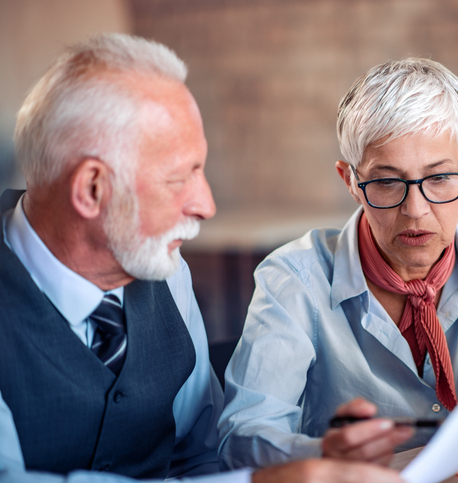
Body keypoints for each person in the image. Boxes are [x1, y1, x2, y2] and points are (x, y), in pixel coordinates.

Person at [0, 33, 403, 483]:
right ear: (92, 189)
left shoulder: (165, 274)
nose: (205, 206)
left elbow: (202, 457)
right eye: (180, 178)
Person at [218, 58, 458, 482]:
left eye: (439, 178)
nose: (416, 211)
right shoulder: (293, 278)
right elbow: (243, 436)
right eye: (386, 183)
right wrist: (322, 455)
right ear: (350, 180)